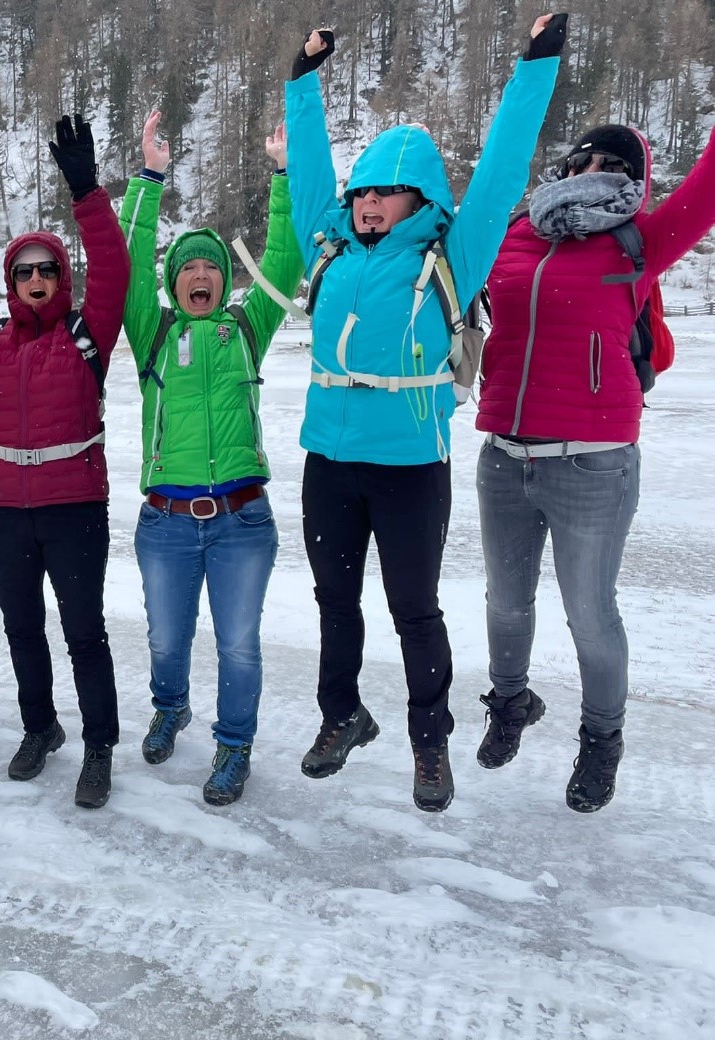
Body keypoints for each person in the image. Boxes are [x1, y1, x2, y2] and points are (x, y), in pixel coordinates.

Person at [285, 16, 566, 812]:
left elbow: (504, 170)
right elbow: (309, 172)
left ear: (421, 199)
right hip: (329, 461)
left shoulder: (453, 255)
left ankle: (429, 741)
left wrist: (534, 68)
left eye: (386, 192)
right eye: (363, 191)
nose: (370, 203)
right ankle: (342, 716)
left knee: (414, 610)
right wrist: (300, 82)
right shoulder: (327, 246)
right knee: (334, 603)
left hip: (409, 467)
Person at [474, 120, 715, 812]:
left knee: (590, 613)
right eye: (583, 159)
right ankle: (512, 703)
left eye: (614, 163)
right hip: (504, 455)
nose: (594, 169)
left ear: (637, 181)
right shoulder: (513, 234)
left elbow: (708, 190)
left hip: (595, 464)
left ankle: (602, 739)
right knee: (505, 602)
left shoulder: (641, 241)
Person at [0, 117, 130, 809]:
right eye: (23, 271)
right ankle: (41, 727)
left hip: (74, 508)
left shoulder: (88, 332)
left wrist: (86, 191)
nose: (36, 278)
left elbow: (115, 269)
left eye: (46, 269)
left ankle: (99, 745)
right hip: (6, 511)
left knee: (83, 632)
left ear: (60, 277)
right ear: (11, 282)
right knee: (21, 629)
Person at [117, 112, 302, 806]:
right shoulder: (154, 331)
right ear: (174, 282)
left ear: (225, 281)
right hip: (166, 519)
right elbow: (129, 266)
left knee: (238, 644)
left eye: (211, 267)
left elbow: (283, 261)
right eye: (189, 267)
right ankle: (171, 707)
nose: (201, 275)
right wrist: (149, 179)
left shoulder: (247, 328)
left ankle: (234, 745)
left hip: (241, 521)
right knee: (166, 639)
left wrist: (283, 174)